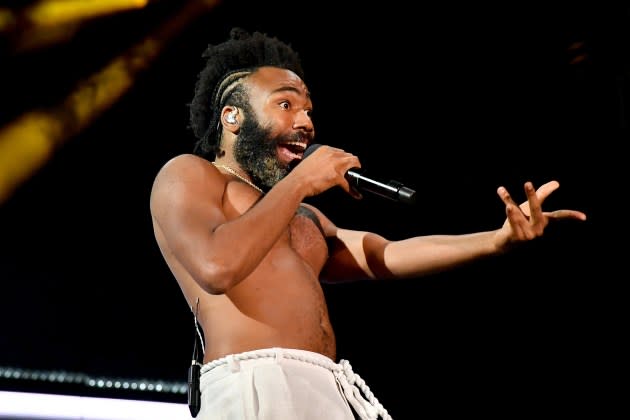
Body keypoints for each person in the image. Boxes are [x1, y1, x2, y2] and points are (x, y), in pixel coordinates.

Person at [149, 27, 587, 420]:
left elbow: (386, 255)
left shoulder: (302, 216)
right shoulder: (190, 175)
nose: (305, 122)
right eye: (285, 104)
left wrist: (495, 241)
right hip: (255, 386)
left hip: (329, 388)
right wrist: (302, 180)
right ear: (233, 117)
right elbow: (216, 266)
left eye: (308, 110)